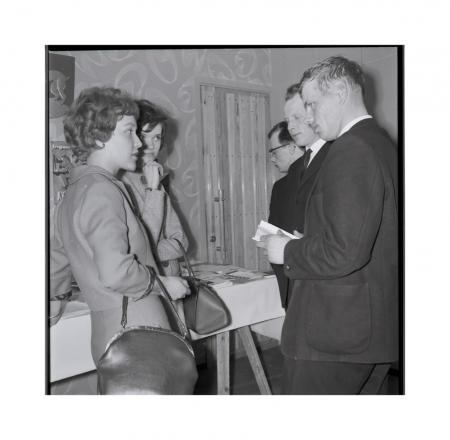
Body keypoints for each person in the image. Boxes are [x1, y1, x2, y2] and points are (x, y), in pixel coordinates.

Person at [261, 56, 398, 394]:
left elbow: (344, 250)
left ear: (340, 92)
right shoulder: (382, 143)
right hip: (369, 328)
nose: (308, 116)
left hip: (337, 334)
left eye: (311, 104)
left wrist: (287, 250)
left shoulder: (352, 149)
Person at [50, 87, 191, 367]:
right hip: (138, 328)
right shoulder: (103, 190)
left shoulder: (72, 192)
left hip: (108, 333)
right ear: (98, 137)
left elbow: (56, 261)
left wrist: (55, 298)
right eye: (129, 132)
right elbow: (116, 272)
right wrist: (163, 283)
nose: (138, 143)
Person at [120, 100, 188, 276]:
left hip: (172, 281)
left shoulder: (154, 178)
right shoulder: (119, 183)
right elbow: (138, 248)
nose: (151, 145)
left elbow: (182, 241)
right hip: (145, 283)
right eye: (144, 136)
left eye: (157, 137)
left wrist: (154, 248)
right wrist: (153, 191)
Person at [266, 121, 303, 308]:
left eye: (274, 151)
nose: (272, 158)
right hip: (286, 281)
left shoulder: (322, 179)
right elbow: (271, 232)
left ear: (292, 147)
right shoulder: (279, 187)